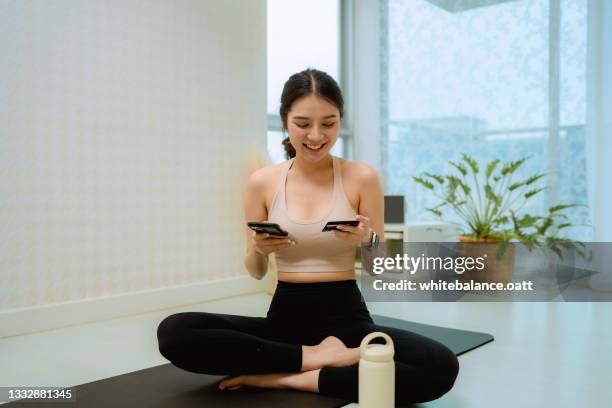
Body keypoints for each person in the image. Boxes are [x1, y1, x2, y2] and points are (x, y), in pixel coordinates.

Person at [156, 68, 459, 405]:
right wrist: (260, 249)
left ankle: (288, 377)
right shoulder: (262, 182)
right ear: (285, 121)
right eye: (303, 124)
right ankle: (314, 359)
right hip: (284, 323)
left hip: (348, 322)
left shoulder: (362, 177)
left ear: (340, 121)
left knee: (440, 366)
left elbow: (378, 269)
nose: (316, 135)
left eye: (328, 123)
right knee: (175, 332)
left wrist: (368, 241)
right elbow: (256, 271)